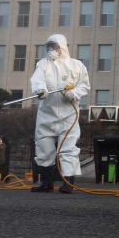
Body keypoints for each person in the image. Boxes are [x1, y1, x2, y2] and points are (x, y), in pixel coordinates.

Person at [29, 34, 90, 194]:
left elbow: (84, 86)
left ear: (62, 47)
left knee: (68, 149)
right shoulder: (43, 64)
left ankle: (68, 184)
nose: (51, 50)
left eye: (54, 46)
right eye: (49, 46)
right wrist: (40, 90)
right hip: (46, 115)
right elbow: (37, 80)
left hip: (68, 116)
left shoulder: (77, 66)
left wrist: (74, 93)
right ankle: (46, 184)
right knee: (43, 148)